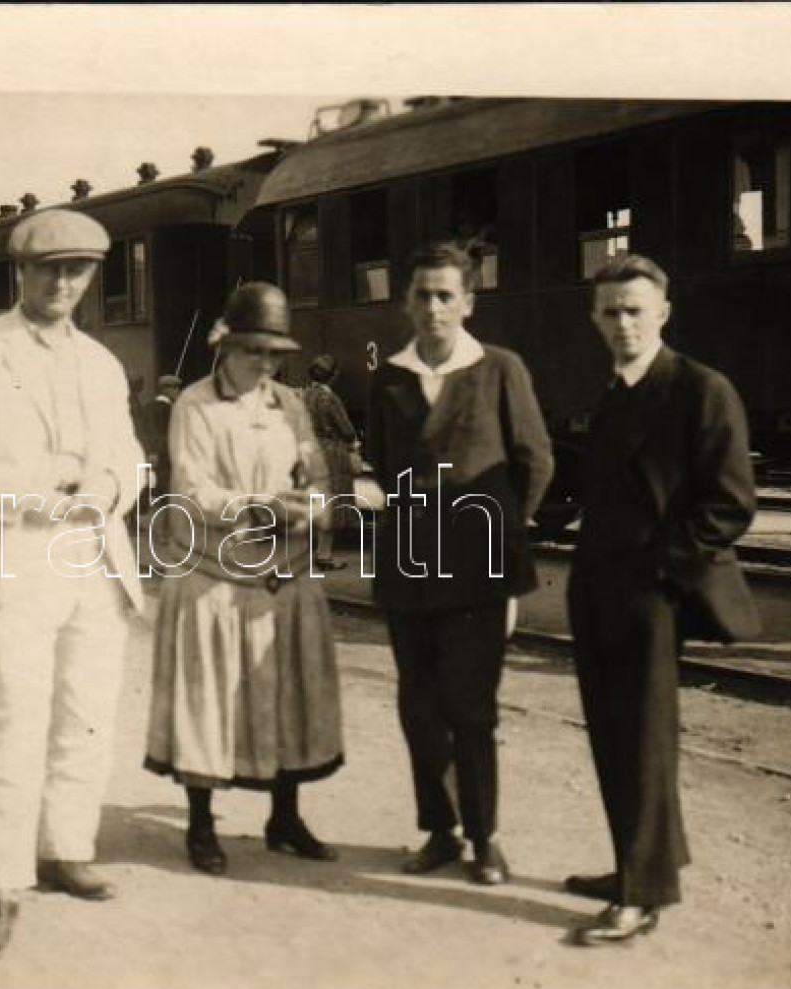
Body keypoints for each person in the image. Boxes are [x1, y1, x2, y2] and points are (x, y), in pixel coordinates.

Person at [0, 209, 145, 961]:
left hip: (95, 556)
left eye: (77, 270)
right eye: (49, 268)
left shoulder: (101, 362)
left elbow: (132, 460)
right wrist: (34, 494)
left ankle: (66, 847)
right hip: (18, 556)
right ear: (20, 272)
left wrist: (109, 490)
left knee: (86, 715)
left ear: (90, 277)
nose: (62, 282)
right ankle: (2, 886)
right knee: (19, 721)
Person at [565, 254, 758, 945]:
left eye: (634, 310)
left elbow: (731, 502)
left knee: (641, 739)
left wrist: (662, 574)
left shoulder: (700, 389)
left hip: (650, 594)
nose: (622, 323)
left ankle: (640, 894)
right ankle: (634, 865)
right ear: (595, 319)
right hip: (598, 591)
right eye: (610, 312)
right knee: (614, 734)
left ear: (662, 314)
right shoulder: (615, 390)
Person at [365, 243, 553, 887]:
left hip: (479, 574)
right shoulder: (388, 377)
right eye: (422, 295)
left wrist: (497, 535)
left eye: (447, 295)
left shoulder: (499, 368)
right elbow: (385, 467)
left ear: (469, 302)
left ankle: (484, 838)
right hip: (408, 571)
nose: (433, 308)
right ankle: (440, 832)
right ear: (406, 302)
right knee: (418, 706)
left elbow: (536, 461)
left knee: (472, 709)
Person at [144, 282, 344, 876]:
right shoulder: (195, 406)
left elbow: (313, 475)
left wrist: (313, 503)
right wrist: (262, 507)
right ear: (225, 346)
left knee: (288, 699)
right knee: (207, 704)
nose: (265, 362)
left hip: (282, 579)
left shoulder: (290, 404)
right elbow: (193, 489)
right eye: (254, 349)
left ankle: (284, 818)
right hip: (214, 577)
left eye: (274, 351)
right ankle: (202, 825)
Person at [301, 354, 361, 570]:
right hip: (331, 454)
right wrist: (354, 443)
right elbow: (346, 429)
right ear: (332, 376)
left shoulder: (305, 395)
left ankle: (310, 554)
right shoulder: (330, 399)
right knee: (332, 505)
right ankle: (324, 556)